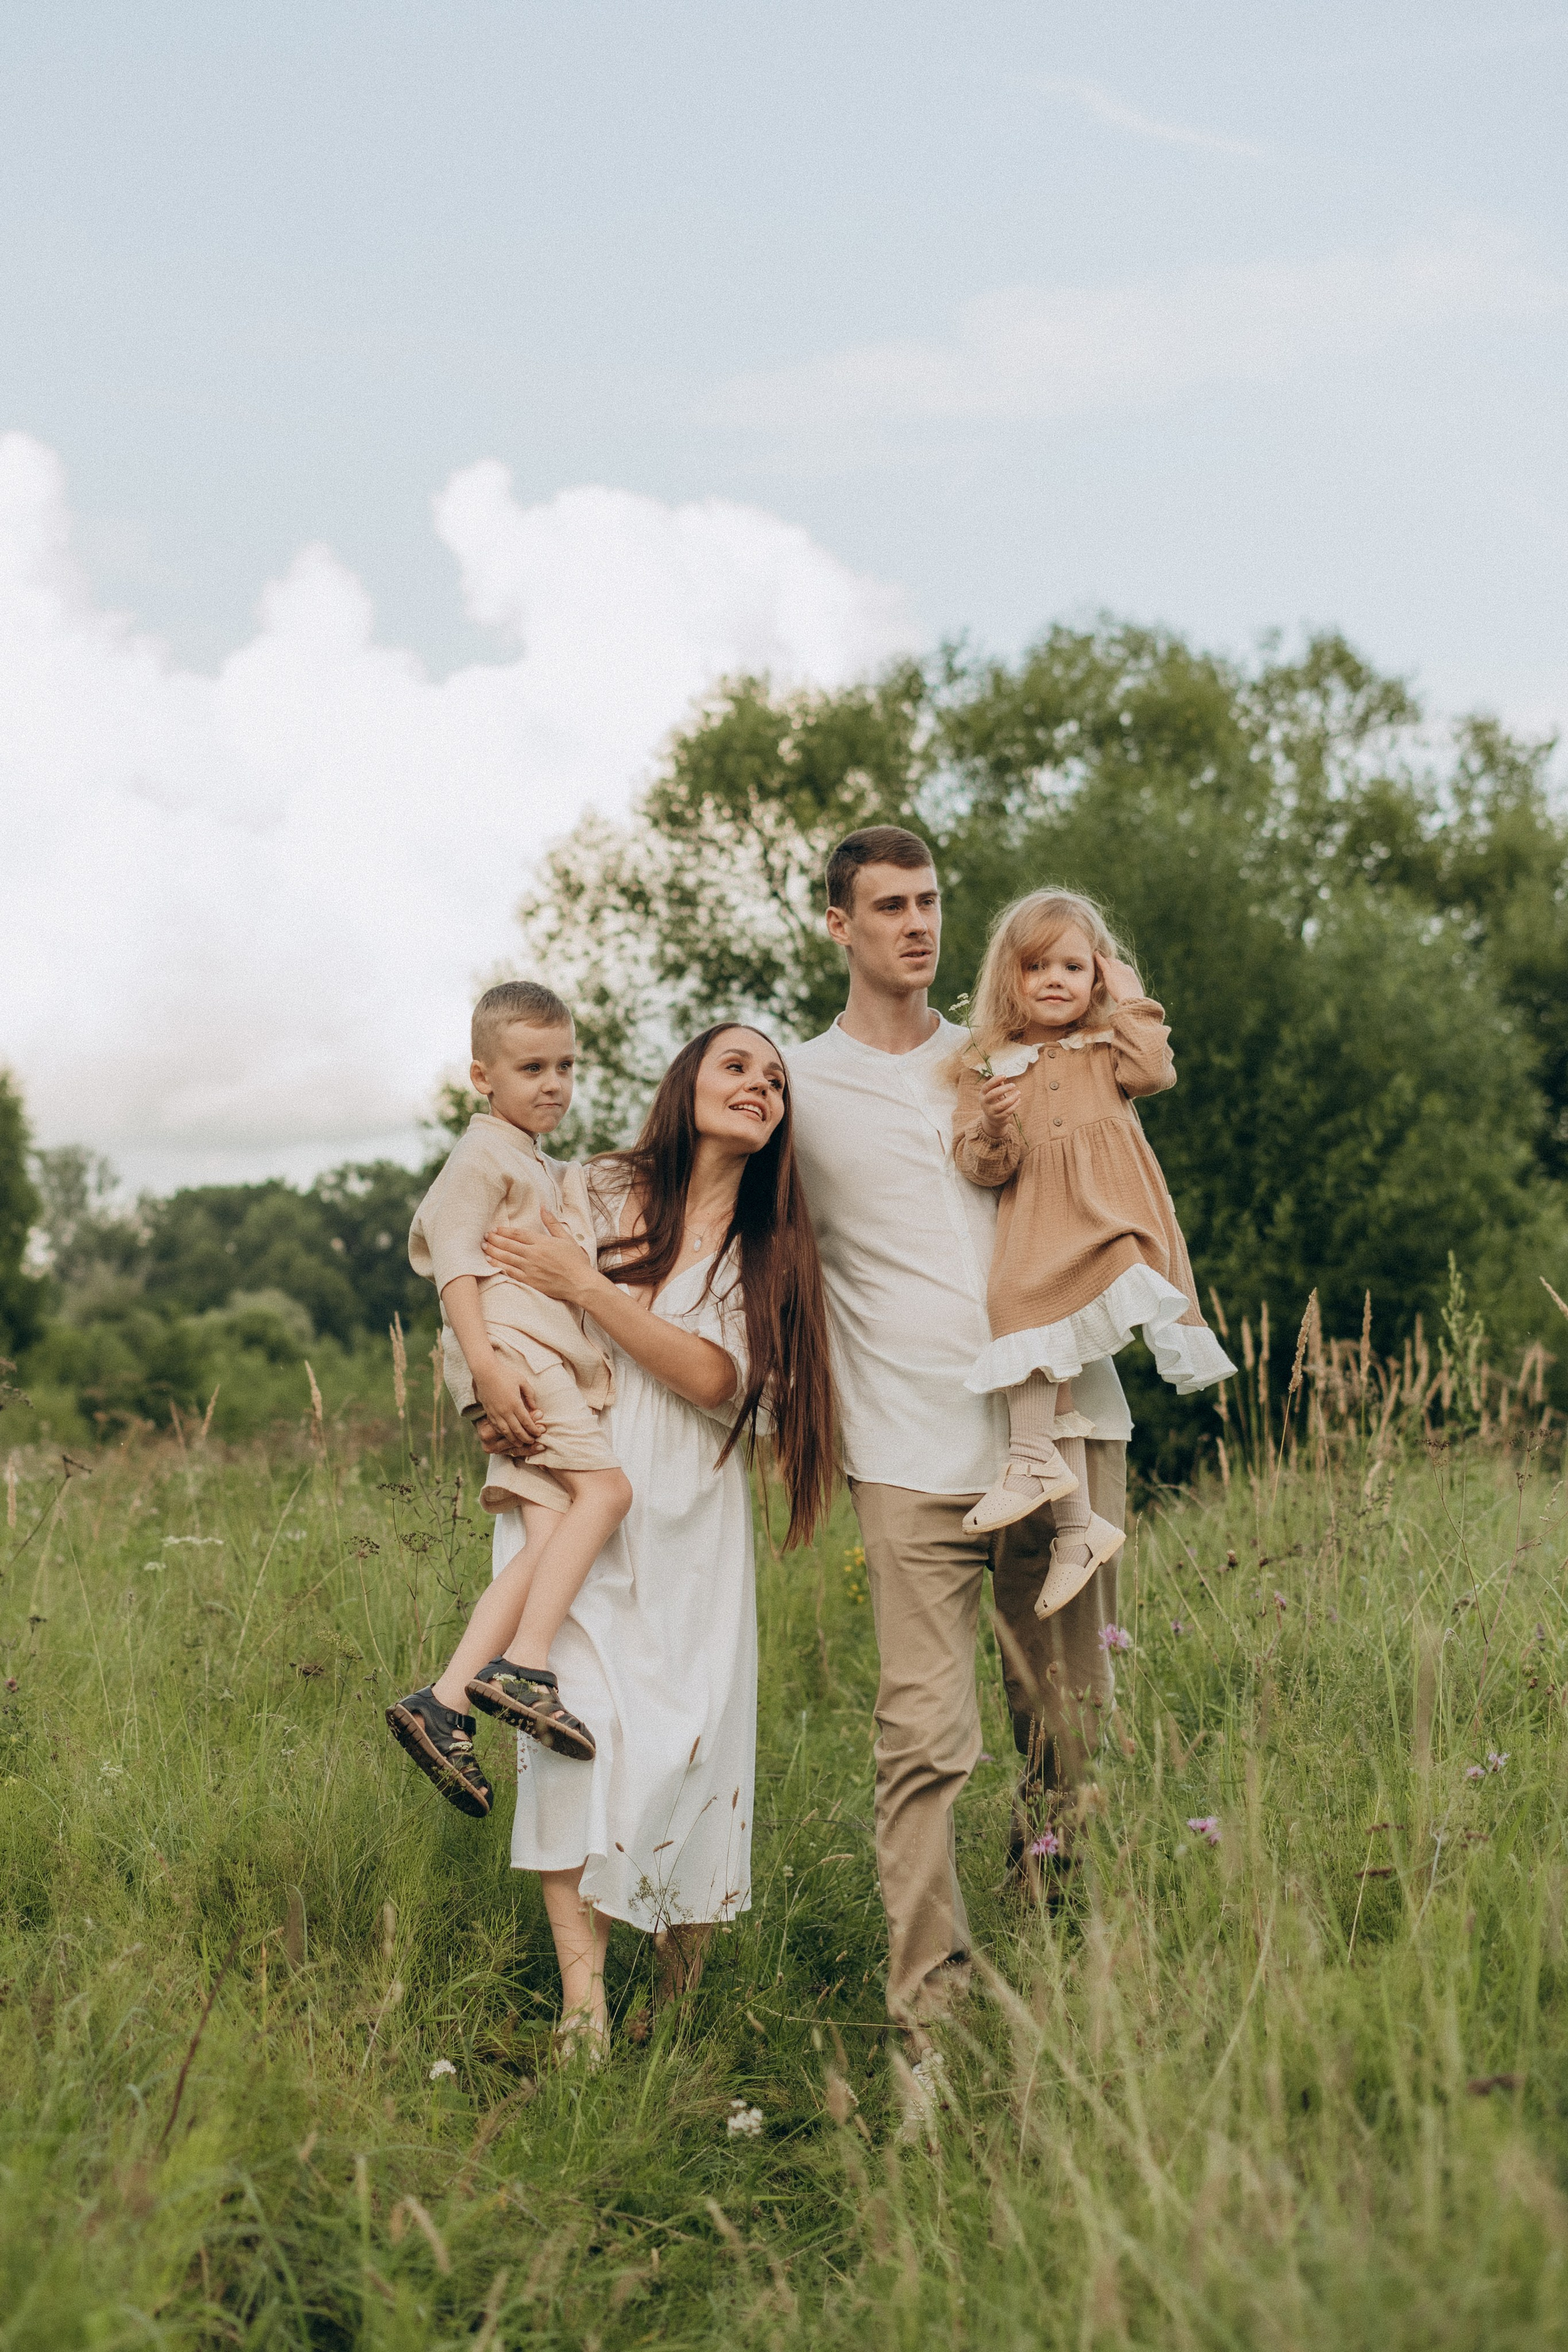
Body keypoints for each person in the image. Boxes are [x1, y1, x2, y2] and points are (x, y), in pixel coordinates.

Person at [782, 826, 1136, 2075]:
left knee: (1071, 1727)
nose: (916, 926)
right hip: (908, 1452)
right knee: (924, 1744)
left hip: (1062, 1433)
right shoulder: (794, 1082)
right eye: (886, 907)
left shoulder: (1007, 1053)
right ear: (836, 924)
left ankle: (1045, 1955)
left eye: (929, 903)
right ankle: (924, 2025)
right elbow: (700, 1208)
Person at [475, 1023, 835, 2060]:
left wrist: (589, 1290)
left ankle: (675, 2003)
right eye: (737, 1066)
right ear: (685, 1084)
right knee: (569, 1736)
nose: (759, 1086)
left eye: (775, 1080)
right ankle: (583, 2008)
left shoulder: (768, 1249)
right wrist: (492, 1386)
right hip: (577, 1483)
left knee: (690, 1744)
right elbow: (502, 1289)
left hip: (689, 1510)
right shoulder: (592, 1189)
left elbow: (719, 1380)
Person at [952, 888, 1234, 1615]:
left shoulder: (1108, 1049)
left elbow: (1155, 1074)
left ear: (1097, 975)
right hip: (1041, 1223)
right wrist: (990, 1121)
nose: (1053, 979)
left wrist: (1132, 1001)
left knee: (1028, 1316)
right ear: (1006, 978)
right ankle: (1077, 1530)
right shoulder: (986, 1062)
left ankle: (1029, 1457)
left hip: (1111, 1219)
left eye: (1072, 966)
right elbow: (984, 1168)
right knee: (1039, 1331)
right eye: (1035, 965)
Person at [387, 982, 632, 1815]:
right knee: (608, 1492)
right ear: (481, 1077)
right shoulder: (483, 1156)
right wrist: (487, 1368)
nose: (554, 1083)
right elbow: (455, 1265)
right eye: (532, 1067)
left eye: (566, 1066)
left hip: (532, 1363)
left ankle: (445, 1704)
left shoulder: (537, 1161)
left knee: (549, 1534)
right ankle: (524, 1666)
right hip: (521, 1362)